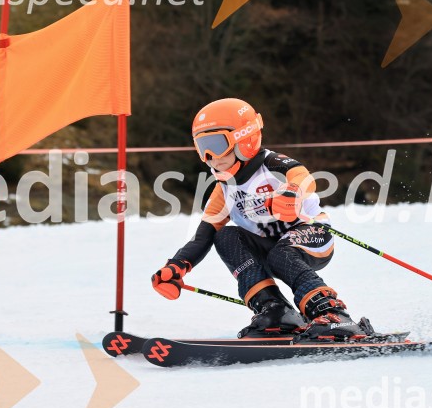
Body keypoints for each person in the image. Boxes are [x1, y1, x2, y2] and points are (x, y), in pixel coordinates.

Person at [149, 97, 374, 341]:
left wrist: (292, 193)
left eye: (216, 144)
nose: (211, 157)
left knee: (282, 251)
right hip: (271, 249)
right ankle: (275, 311)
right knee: (225, 236)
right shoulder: (224, 189)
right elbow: (203, 235)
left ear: (244, 138)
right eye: (202, 147)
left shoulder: (271, 165)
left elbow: (302, 176)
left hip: (312, 237)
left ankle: (332, 313)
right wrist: (177, 266)